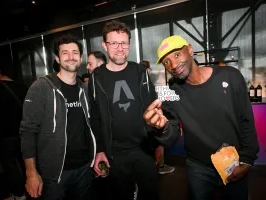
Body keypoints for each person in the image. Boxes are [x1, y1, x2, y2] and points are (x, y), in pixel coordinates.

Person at [143, 35, 259, 200]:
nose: (174, 65)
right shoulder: (172, 93)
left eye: (177, 55)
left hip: (233, 163)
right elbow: (170, 137)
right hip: (199, 169)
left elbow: (246, 121)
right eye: (166, 62)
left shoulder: (230, 76)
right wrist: (162, 127)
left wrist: (247, 160)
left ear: (190, 50)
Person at [88, 20, 159, 200]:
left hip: (144, 150)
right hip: (115, 154)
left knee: (150, 195)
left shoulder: (140, 72)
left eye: (124, 43)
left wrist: (159, 144)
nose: (120, 48)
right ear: (105, 45)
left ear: (129, 43)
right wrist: (100, 150)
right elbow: (94, 117)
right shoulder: (96, 77)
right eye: (113, 43)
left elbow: (154, 108)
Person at [20, 35, 97, 200]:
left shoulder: (85, 90)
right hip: (54, 175)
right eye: (65, 53)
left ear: (81, 57)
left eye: (75, 52)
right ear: (57, 58)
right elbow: (27, 132)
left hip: (84, 169)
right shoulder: (42, 88)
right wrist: (31, 173)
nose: (71, 57)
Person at [0, 60, 28, 200]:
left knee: (10, 165)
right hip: (24, 133)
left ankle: (19, 194)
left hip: (6, 135)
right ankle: (31, 188)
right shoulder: (23, 87)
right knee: (25, 162)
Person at [139, 60, 175, 175]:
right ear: (148, 68)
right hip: (155, 114)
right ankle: (161, 165)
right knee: (159, 145)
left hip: (144, 118)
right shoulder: (149, 78)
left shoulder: (139, 80)